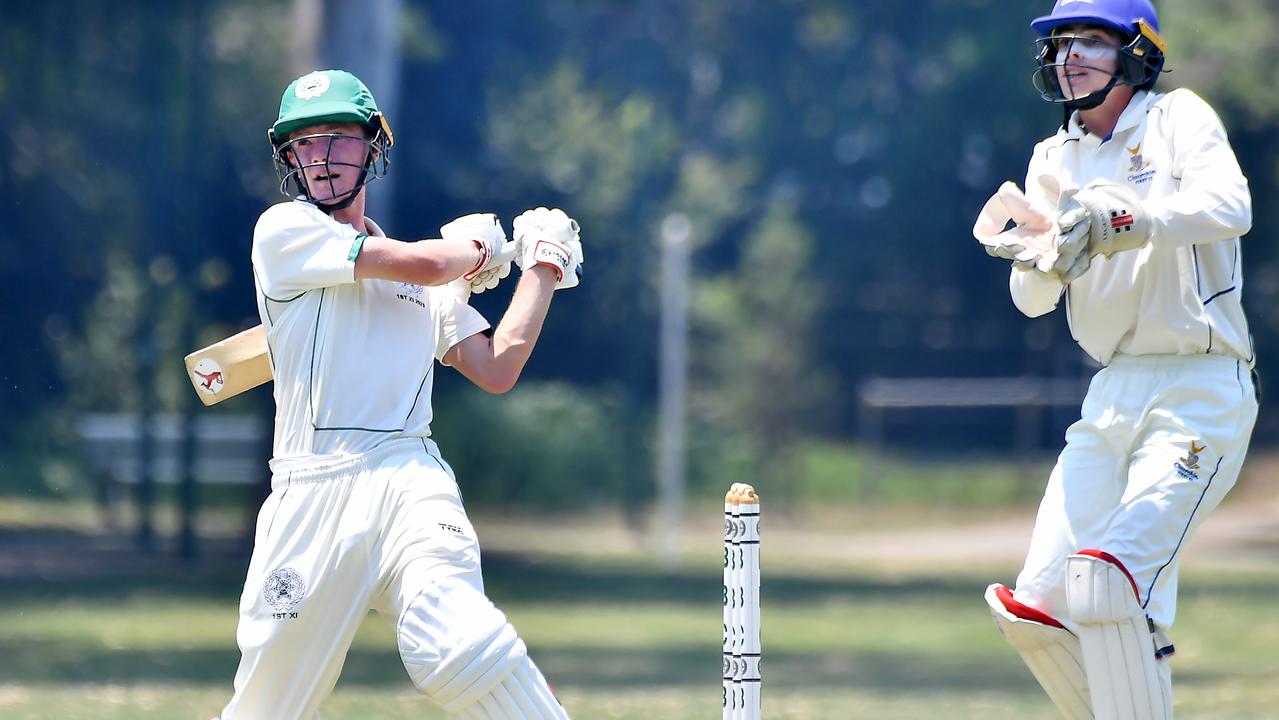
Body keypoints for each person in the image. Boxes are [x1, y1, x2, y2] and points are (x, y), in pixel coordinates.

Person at [218, 69, 581, 720]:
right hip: (312, 491)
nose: (321, 157)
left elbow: (496, 367)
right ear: (288, 158)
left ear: (373, 146)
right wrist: (476, 249)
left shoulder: (430, 276)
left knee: (459, 640)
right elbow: (422, 263)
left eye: (336, 138)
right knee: (266, 711)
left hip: (409, 475)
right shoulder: (282, 233)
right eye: (303, 144)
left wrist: (543, 267)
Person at [977, 1, 1258, 718]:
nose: (1068, 55)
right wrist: (1044, 260)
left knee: (1107, 583)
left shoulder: (1176, 118)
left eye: (1089, 42)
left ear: (1136, 53)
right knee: (1033, 605)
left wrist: (1119, 220)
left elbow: (1230, 206)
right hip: (1110, 392)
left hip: (1200, 384)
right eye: (1059, 43)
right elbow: (1029, 300)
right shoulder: (1053, 157)